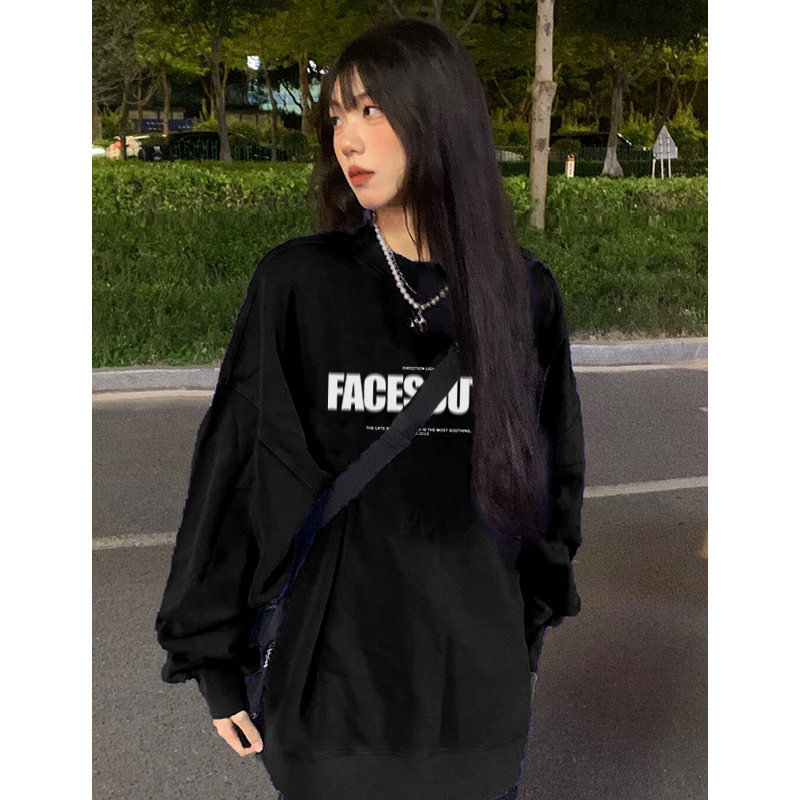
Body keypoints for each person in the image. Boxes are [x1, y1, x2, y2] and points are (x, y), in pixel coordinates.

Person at [155, 17, 585, 800]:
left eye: (371, 110)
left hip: (472, 705)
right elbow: (238, 469)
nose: (347, 138)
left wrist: (520, 634)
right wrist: (211, 656)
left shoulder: (523, 296)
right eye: (337, 116)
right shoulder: (301, 285)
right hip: (330, 698)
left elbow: (551, 486)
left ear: (437, 117)